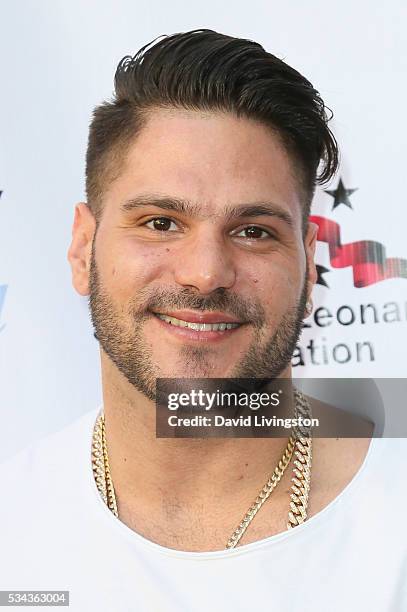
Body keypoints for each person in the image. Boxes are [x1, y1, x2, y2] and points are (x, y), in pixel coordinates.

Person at [0, 29, 405, 611]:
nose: (206, 273)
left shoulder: (395, 526)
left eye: (253, 231)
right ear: (81, 248)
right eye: (160, 222)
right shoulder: (13, 524)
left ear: (310, 266)